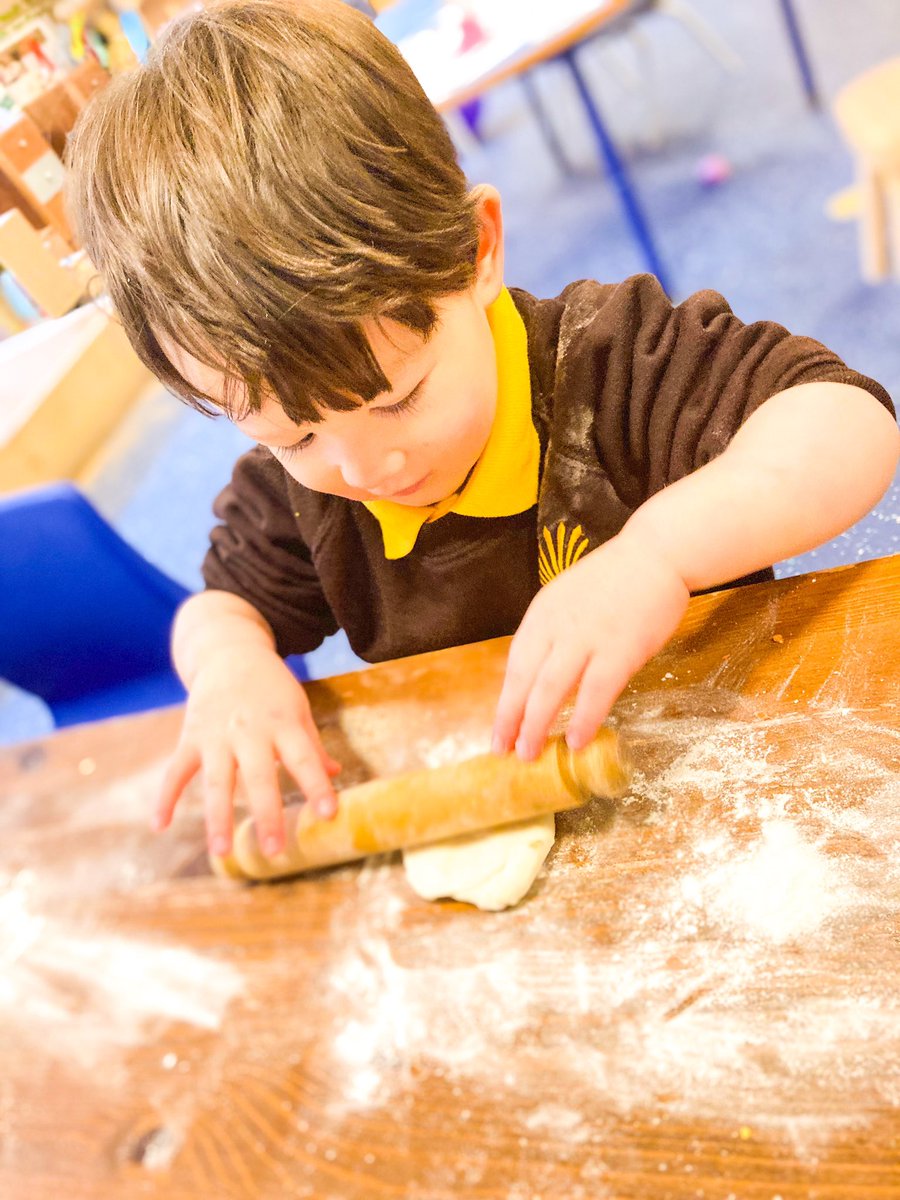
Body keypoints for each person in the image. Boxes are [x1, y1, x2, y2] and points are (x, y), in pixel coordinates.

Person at [66, 0, 899, 861]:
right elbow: (225, 605)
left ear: (478, 252)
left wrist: (657, 554)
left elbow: (846, 419)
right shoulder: (303, 492)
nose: (367, 465)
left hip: (738, 788)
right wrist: (228, 668)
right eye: (295, 436)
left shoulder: (609, 362)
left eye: (398, 399)